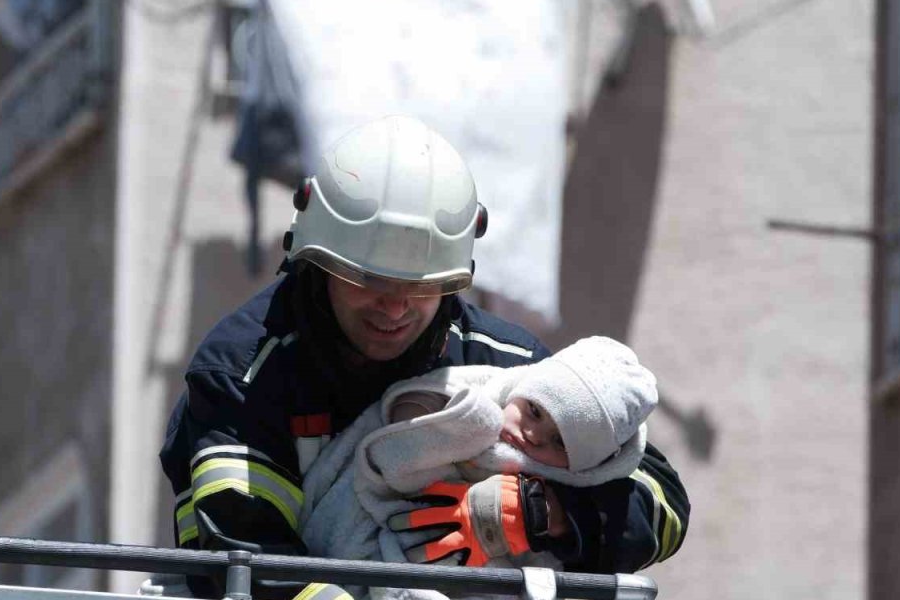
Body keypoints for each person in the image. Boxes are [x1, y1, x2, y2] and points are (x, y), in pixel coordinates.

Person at [159, 116, 688, 599]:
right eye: (369, 280)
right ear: (319, 265)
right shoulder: (243, 374)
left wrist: (547, 513)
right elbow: (245, 563)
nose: (395, 308)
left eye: (423, 286)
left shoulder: (503, 363)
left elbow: (661, 502)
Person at [296, 336, 659, 600]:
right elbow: (401, 424)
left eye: (559, 442)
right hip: (377, 528)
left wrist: (547, 513)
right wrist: (451, 427)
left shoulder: (583, 483)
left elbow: (545, 572)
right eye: (534, 410)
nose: (531, 435)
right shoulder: (489, 385)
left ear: (585, 466)